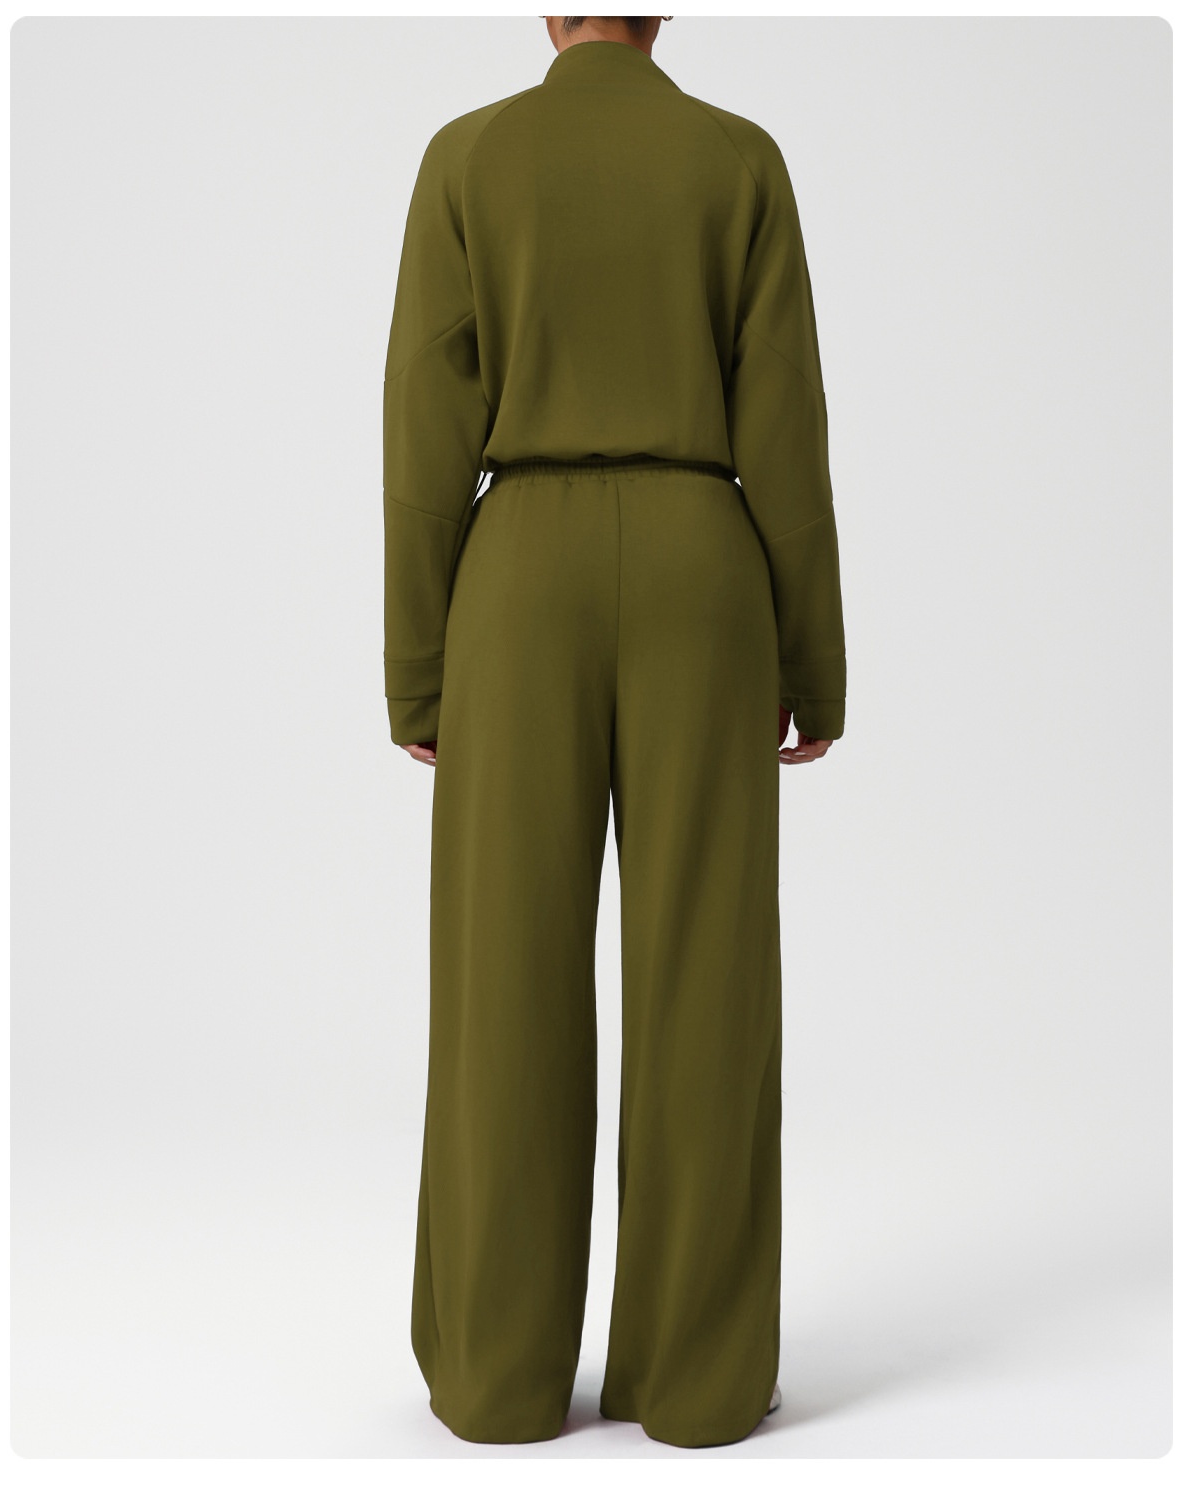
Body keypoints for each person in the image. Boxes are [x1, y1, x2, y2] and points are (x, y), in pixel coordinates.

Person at [381, 14, 846, 1449]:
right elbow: (787, 426)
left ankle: (498, 1374)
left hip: (517, 579)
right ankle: (697, 1378)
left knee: (502, 976)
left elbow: (422, 426)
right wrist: (815, 665)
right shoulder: (737, 161)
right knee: (709, 974)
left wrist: (418, 673)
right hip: (707, 571)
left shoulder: (468, 161)